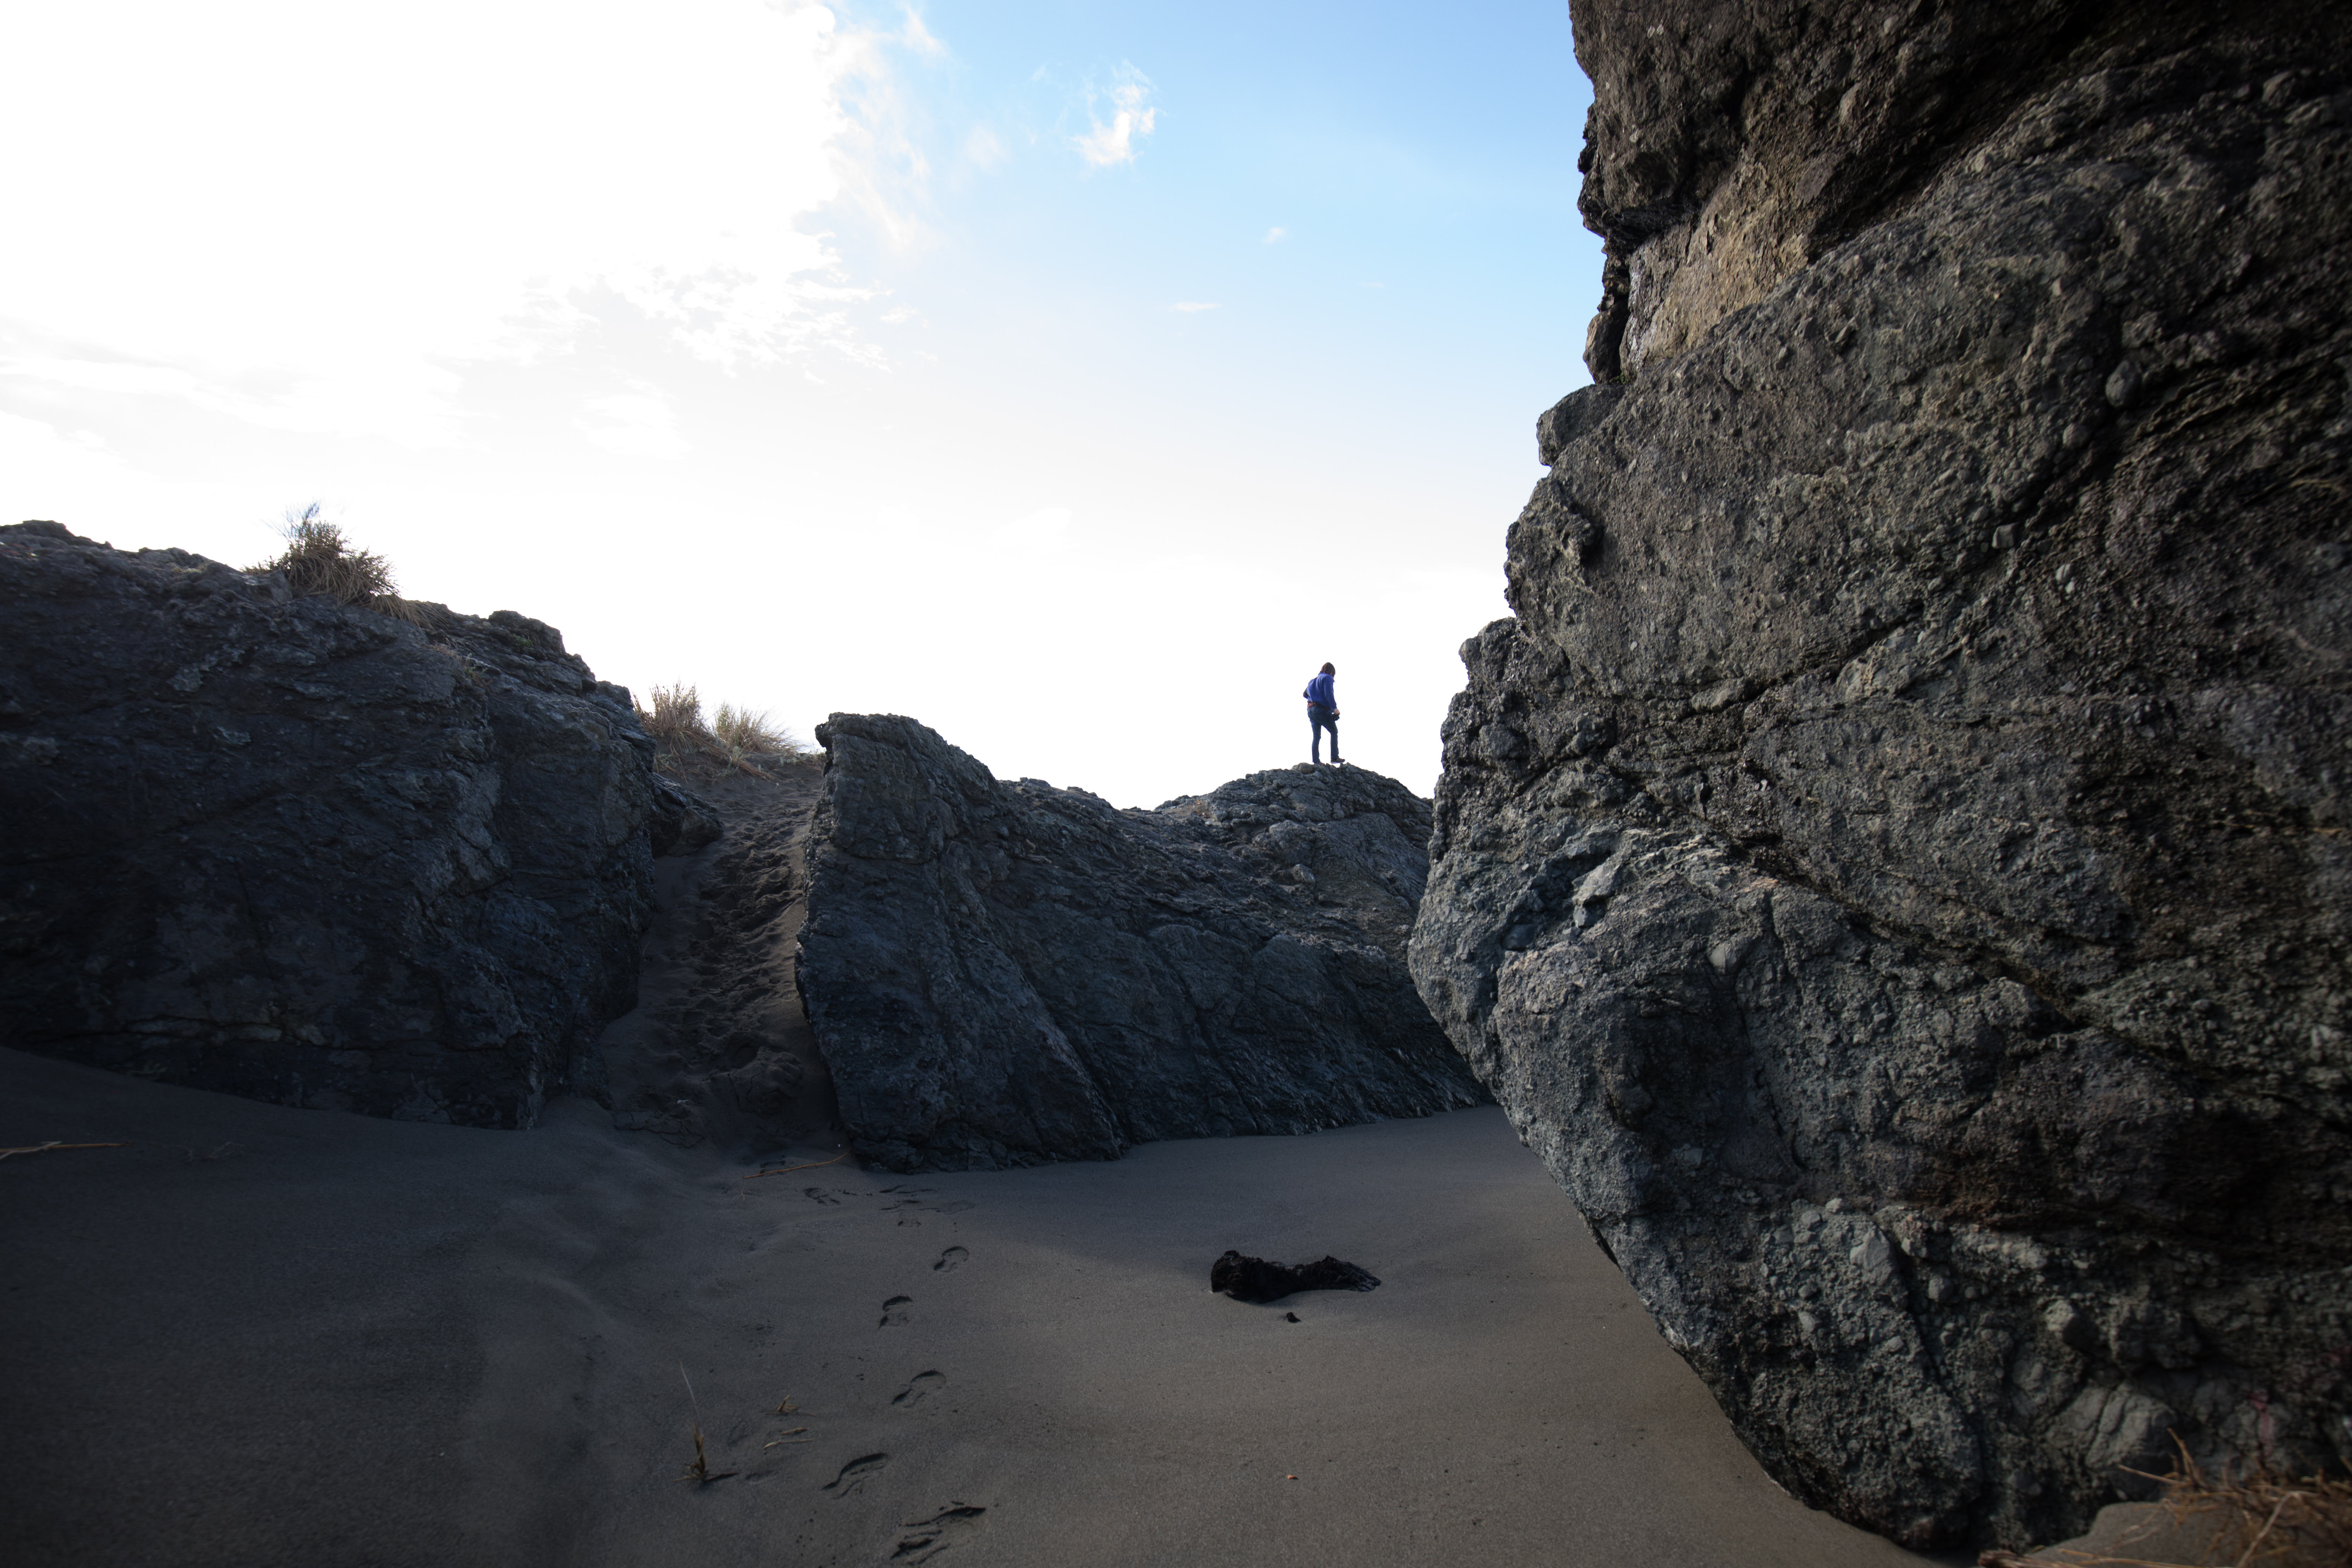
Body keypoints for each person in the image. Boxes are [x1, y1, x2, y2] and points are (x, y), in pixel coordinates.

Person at [1303, 662, 1340, 766]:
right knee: (1334, 731)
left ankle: (1316, 762)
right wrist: (1334, 708)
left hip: (1310, 710)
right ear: (1332, 671)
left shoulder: (1312, 682)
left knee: (1317, 737)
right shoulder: (1328, 678)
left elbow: (1305, 694)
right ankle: (1335, 758)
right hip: (1321, 709)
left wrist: (1314, 697)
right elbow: (1329, 694)